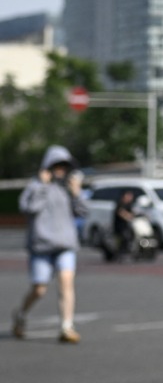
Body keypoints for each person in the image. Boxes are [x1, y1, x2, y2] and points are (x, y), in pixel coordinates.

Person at [11, 145, 88, 343]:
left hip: (65, 245)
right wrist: (43, 187)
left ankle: (66, 326)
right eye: (57, 165)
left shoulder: (68, 187)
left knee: (66, 283)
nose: (61, 170)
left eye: (64, 166)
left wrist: (77, 193)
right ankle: (21, 315)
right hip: (41, 247)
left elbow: (83, 212)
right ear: (48, 166)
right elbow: (29, 209)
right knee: (39, 289)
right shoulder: (35, 187)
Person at [112, 189, 137, 260]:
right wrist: (128, 216)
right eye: (128, 196)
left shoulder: (130, 205)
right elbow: (121, 213)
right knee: (124, 238)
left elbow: (134, 213)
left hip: (127, 226)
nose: (130, 197)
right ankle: (121, 254)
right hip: (120, 227)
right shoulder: (120, 204)